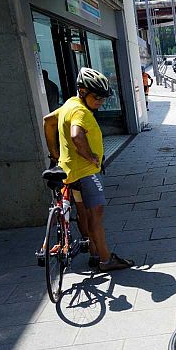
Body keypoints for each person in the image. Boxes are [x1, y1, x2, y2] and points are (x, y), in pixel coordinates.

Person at [42, 67, 134, 272]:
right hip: (85, 172)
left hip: (69, 171)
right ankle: (106, 259)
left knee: (83, 213)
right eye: (97, 97)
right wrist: (91, 156)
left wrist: (54, 153)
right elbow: (76, 136)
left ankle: (93, 251)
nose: (101, 102)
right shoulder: (80, 111)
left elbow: (48, 121)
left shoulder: (69, 104)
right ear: (82, 92)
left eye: (104, 97)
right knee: (96, 214)